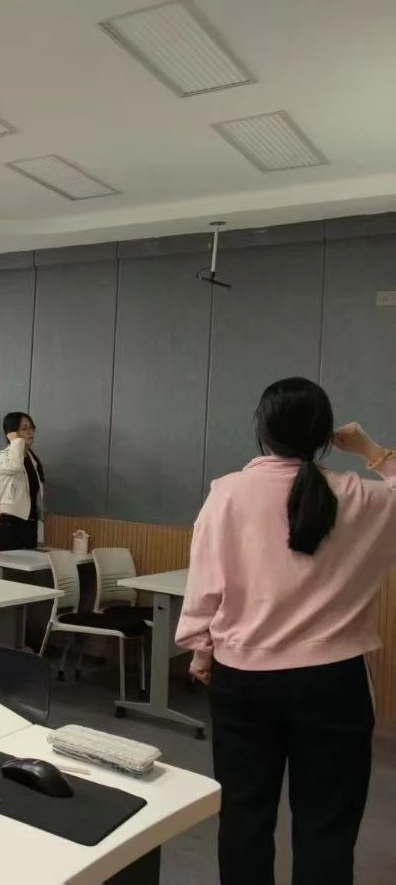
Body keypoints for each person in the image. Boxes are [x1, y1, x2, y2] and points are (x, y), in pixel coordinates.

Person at [176, 378, 396, 885]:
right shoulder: (359, 495)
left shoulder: (228, 493)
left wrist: (201, 652)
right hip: (334, 682)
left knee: (243, 816)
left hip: (243, 679)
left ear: (262, 428)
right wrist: (371, 451)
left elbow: (206, 584)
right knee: (328, 825)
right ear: (324, 435)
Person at [0, 411, 45, 551]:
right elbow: (15, 466)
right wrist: (15, 442)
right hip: (11, 525)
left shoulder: (32, 460)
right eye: (24, 428)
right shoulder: (2, 457)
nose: (30, 432)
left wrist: (40, 533)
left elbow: (37, 500)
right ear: (12, 433)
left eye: (32, 428)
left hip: (30, 526)